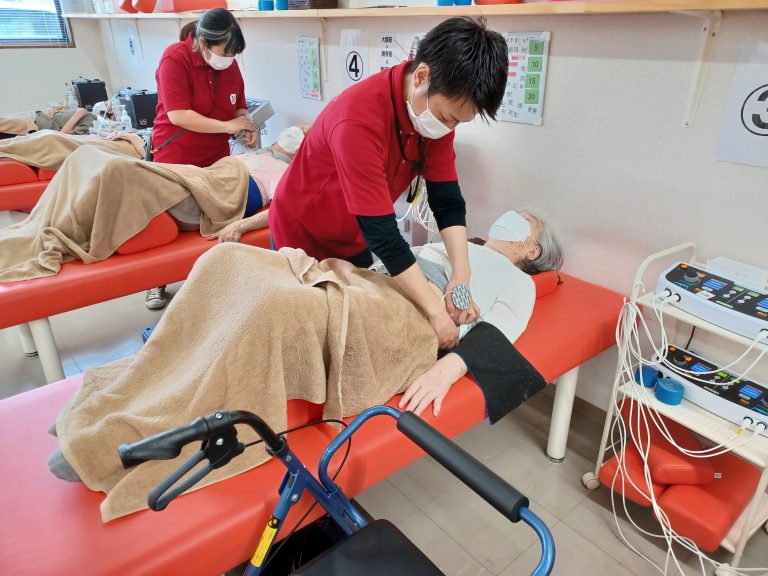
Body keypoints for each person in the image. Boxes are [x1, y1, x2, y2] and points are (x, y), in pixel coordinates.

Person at [47, 208, 562, 502]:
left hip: (407, 320)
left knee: (275, 306)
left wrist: (447, 371)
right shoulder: (458, 244)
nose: (511, 217)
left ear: (532, 250)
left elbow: (498, 332)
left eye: (526, 222)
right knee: (227, 259)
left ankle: (137, 435)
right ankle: (140, 382)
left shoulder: (519, 283)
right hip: (378, 283)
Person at [268, 17, 509, 351]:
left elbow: (447, 201)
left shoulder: (430, 115)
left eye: (458, 122)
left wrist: (461, 276)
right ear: (422, 77)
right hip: (302, 232)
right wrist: (435, 311)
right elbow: (383, 235)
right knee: (304, 334)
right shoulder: (358, 119)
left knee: (352, 327)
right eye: (447, 117)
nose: (449, 127)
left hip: (355, 234)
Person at [147, 8, 256, 310]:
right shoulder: (175, 59)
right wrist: (227, 126)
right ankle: (155, 282)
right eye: (224, 52)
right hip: (177, 154)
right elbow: (178, 114)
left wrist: (247, 125)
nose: (228, 60)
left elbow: (239, 107)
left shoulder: (229, 66)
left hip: (217, 160)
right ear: (203, 42)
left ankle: (214, 278)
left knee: (214, 218)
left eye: (233, 54)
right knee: (171, 224)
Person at [210, 125, 307, 243]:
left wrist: (240, 226)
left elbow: (285, 208)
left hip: (213, 194)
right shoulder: (258, 153)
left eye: (303, 132)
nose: (300, 128)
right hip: (203, 175)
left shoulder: (284, 171)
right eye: (300, 127)